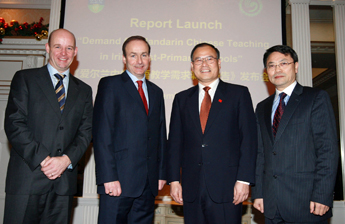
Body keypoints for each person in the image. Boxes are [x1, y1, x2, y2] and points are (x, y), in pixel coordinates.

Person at [3, 28, 93, 224]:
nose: (63, 53)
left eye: (69, 48)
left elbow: (85, 132)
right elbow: (14, 124)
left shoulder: (84, 90)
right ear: (47, 48)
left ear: (75, 52)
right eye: (57, 47)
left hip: (63, 187)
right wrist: (44, 160)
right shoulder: (25, 79)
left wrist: (65, 160)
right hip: (27, 181)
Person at [167, 43, 257, 224]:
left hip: (228, 187)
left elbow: (249, 139)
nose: (204, 64)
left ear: (219, 63)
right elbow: (175, 142)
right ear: (192, 66)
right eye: (198, 60)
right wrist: (174, 180)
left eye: (209, 58)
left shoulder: (238, 94)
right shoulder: (182, 99)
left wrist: (244, 180)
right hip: (191, 188)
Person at [252, 45, 339, 224]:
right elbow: (260, 153)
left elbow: (327, 149)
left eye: (283, 63)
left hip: (307, 203)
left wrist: (322, 195)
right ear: (266, 71)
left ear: (296, 66)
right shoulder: (262, 107)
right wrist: (259, 193)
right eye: (271, 65)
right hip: (271, 203)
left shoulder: (315, 98)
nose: (277, 69)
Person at [93, 35, 167, 224]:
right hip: (117, 182)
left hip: (148, 185)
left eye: (144, 55)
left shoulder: (157, 92)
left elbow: (159, 136)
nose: (139, 61)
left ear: (150, 58)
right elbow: (102, 134)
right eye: (133, 55)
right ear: (124, 59)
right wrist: (108, 177)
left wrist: (160, 173)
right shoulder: (110, 85)